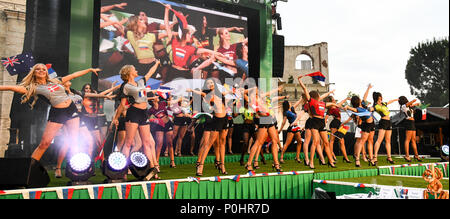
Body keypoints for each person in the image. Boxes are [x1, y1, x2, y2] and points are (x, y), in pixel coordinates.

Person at [0, 64, 100, 162]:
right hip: (58, 113)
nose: (41, 71)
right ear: (33, 73)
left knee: (74, 142)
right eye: (38, 69)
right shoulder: (33, 88)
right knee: (44, 144)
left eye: (43, 69)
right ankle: (29, 170)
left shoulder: (56, 81)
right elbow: (11, 87)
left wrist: (89, 70)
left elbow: (74, 75)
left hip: (71, 109)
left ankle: (77, 170)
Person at [111, 60, 160, 179]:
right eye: (134, 69)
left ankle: (150, 171)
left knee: (147, 143)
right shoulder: (126, 86)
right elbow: (122, 105)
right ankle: (123, 171)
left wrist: (157, 64)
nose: (136, 70)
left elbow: (150, 72)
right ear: (129, 72)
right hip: (133, 113)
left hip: (144, 113)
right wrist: (116, 118)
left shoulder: (141, 82)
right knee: (128, 143)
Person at [188, 78, 230, 176]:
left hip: (225, 119)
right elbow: (202, 95)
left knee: (223, 143)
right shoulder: (207, 95)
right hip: (216, 120)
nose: (210, 84)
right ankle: (200, 166)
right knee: (209, 143)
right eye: (208, 83)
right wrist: (192, 91)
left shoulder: (220, 92)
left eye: (211, 82)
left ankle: (222, 166)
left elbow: (229, 93)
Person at [298, 75, 338, 169]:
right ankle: (311, 162)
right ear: (316, 96)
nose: (320, 96)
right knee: (315, 142)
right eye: (319, 95)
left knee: (326, 143)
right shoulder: (311, 101)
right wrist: (300, 81)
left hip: (321, 122)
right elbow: (305, 90)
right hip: (314, 122)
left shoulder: (321, 102)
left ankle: (330, 161)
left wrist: (338, 105)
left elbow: (330, 103)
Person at [346, 84, 377, 167]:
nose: (361, 99)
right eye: (359, 99)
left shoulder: (363, 104)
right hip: (366, 125)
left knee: (370, 141)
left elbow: (365, 96)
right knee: (362, 141)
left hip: (372, 124)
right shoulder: (358, 109)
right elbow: (353, 109)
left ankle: (371, 159)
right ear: (357, 101)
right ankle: (357, 159)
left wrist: (368, 88)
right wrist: (347, 107)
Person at [148, 92, 175, 169]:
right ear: (153, 100)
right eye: (155, 96)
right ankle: (156, 162)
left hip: (168, 124)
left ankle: (172, 161)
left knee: (170, 143)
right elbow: (147, 119)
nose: (157, 97)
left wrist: (173, 98)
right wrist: (155, 120)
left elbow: (171, 102)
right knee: (159, 144)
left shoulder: (163, 103)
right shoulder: (150, 110)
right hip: (159, 126)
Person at [372, 92, 398, 164]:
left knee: (388, 140)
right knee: (379, 140)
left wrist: (396, 99)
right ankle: (375, 157)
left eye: (381, 97)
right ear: (378, 97)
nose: (381, 98)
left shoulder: (383, 104)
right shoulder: (376, 105)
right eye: (380, 97)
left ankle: (389, 157)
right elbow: (372, 109)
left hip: (389, 122)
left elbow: (389, 102)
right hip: (383, 122)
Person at [325, 96, 351, 163]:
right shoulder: (330, 109)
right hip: (334, 124)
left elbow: (341, 103)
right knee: (332, 140)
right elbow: (326, 117)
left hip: (338, 124)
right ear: (331, 101)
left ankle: (346, 158)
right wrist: (324, 125)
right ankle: (331, 158)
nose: (334, 100)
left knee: (342, 141)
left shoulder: (336, 106)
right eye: (333, 99)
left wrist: (346, 99)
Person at [278, 99, 303, 164]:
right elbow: (283, 122)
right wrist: (280, 129)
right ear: (287, 105)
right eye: (289, 102)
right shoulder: (286, 112)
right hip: (291, 128)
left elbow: (297, 103)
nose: (290, 103)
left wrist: (301, 98)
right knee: (287, 143)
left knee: (299, 141)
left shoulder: (292, 109)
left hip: (296, 127)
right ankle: (281, 157)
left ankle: (297, 157)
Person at [398, 96, 422, 162]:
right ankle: (407, 156)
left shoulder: (408, 106)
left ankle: (416, 155)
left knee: (413, 140)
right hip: (408, 123)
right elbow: (410, 103)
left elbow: (412, 105)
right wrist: (414, 100)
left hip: (412, 123)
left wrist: (416, 104)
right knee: (407, 140)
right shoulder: (403, 106)